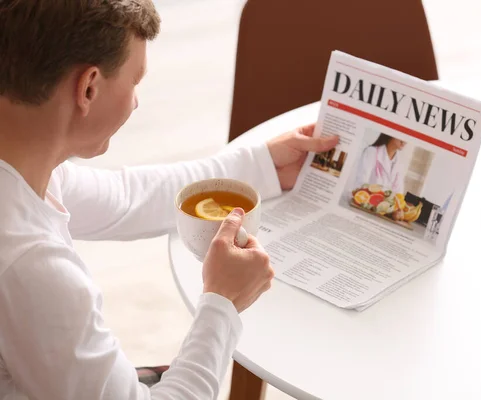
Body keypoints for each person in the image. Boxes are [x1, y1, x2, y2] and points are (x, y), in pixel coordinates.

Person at [0, 1, 338, 399]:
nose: (137, 100)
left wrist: (261, 165)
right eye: (135, 81)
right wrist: (222, 301)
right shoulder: (31, 266)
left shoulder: (25, 167)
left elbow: (126, 198)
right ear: (88, 87)